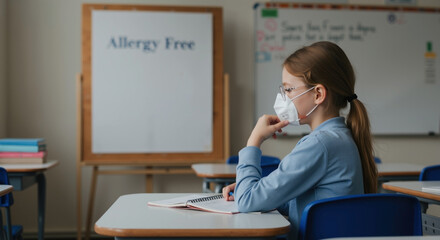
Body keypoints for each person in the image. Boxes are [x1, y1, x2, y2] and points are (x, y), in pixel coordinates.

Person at [222, 41, 378, 239]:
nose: (283, 98)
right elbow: (300, 200)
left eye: (288, 90)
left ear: (318, 94)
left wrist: (254, 140)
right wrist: (251, 187)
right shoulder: (339, 137)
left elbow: (246, 201)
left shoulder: (320, 144)